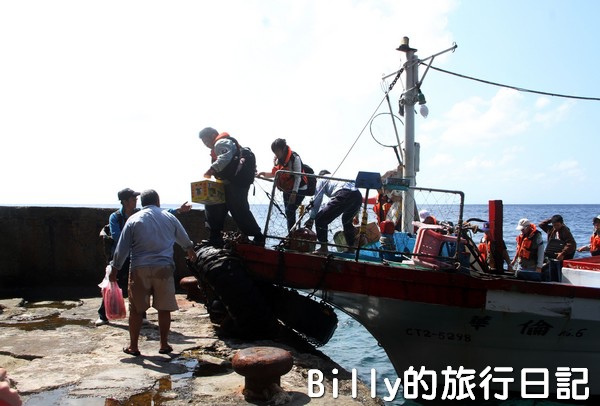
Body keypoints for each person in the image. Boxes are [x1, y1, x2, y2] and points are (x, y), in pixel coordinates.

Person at [110, 189, 197, 356]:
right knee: (164, 309)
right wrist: (190, 251)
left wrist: (115, 269)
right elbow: (183, 238)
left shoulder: (133, 219)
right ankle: (164, 345)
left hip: (139, 269)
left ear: (142, 203)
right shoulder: (168, 217)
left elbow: (122, 248)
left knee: (136, 310)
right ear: (158, 201)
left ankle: (133, 347)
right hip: (163, 269)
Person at [96, 188, 191, 326]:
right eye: (133, 199)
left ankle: (142, 316)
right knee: (114, 284)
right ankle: (103, 315)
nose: (136, 201)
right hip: (121, 255)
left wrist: (178, 210)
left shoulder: (138, 214)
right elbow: (118, 237)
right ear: (125, 201)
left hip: (137, 255)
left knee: (139, 288)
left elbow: (163, 213)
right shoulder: (115, 217)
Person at [198, 127, 265, 247]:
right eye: (203, 142)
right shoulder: (219, 145)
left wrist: (211, 170)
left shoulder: (221, 143)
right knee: (213, 204)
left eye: (206, 141)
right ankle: (215, 236)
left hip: (236, 183)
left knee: (239, 209)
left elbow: (225, 158)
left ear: (214, 135)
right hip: (228, 183)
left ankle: (258, 236)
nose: (206, 144)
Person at [304, 170, 363, 253]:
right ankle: (351, 248)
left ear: (319, 177)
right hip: (358, 196)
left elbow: (317, 200)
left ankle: (323, 248)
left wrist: (312, 218)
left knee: (320, 218)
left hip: (345, 193)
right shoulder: (337, 177)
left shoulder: (322, 180)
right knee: (346, 221)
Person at [258, 138, 308, 231]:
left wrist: (294, 193)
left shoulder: (294, 158)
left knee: (290, 210)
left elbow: (298, 177)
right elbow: (275, 174)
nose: (276, 154)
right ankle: (291, 235)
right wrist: (263, 174)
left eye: (277, 151)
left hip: (299, 188)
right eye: (274, 152)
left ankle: (292, 235)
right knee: (289, 212)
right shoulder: (278, 160)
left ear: (283, 149)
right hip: (287, 189)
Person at [538, 214, 576, 281]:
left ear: (562, 224)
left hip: (563, 255)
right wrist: (551, 219)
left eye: (558, 225)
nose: (556, 227)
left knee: (559, 274)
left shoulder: (565, 230)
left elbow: (571, 244)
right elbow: (541, 225)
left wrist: (563, 253)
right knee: (551, 272)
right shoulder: (551, 229)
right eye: (554, 225)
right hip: (554, 253)